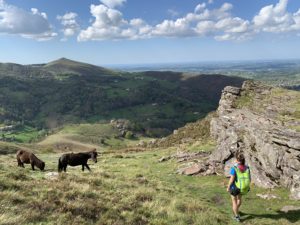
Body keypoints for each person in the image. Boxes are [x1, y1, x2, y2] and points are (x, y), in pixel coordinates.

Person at [227, 152, 251, 222]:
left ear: (237, 160)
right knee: (239, 199)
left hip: (235, 186)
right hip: (243, 186)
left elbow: (231, 179)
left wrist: (228, 187)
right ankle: (236, 210)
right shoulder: (247, 167)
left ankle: (237, 216)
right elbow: (249, 178)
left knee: (234, 201)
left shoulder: (234, 168)